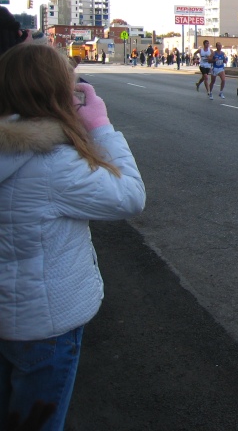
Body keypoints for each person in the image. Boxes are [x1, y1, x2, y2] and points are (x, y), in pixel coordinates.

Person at [0, 43, 146, 431]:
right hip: (43, 326)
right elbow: (130, 196)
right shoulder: (52, 163)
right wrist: (100, 126)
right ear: (56, 93)